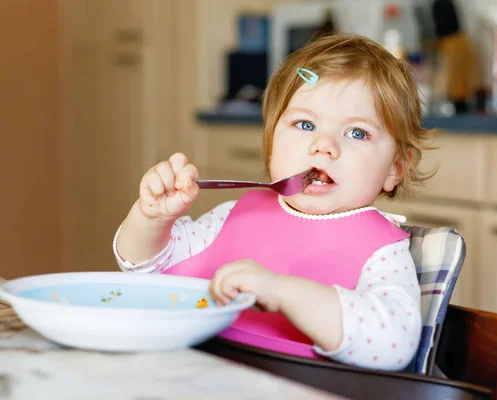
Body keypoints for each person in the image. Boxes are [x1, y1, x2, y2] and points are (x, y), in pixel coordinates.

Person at [113, 33, 434, 371]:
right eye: (305, 124)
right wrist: (151, 220)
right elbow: (146, 267)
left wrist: (283, 292)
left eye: (357, 133)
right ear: (270, 146)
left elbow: (394, 345)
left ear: (395, 169)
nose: (323, 146)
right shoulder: (234, 215)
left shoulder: (382, 251)